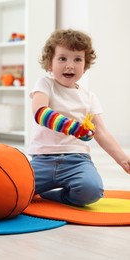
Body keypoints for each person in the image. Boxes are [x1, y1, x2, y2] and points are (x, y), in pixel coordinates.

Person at [29, 29, 130, 207]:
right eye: (62, 58)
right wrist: (73, 128)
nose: (70, 65)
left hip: (77, 160)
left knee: (92, 191)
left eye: (77, 59)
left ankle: (51, 196)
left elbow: (101, 132)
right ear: (50, 63)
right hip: (43, 159)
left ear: (85, 64)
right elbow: (40, 113)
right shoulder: (45, 84)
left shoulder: (88, 97)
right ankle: (38, 189)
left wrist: (122, 158)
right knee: (15, 190)